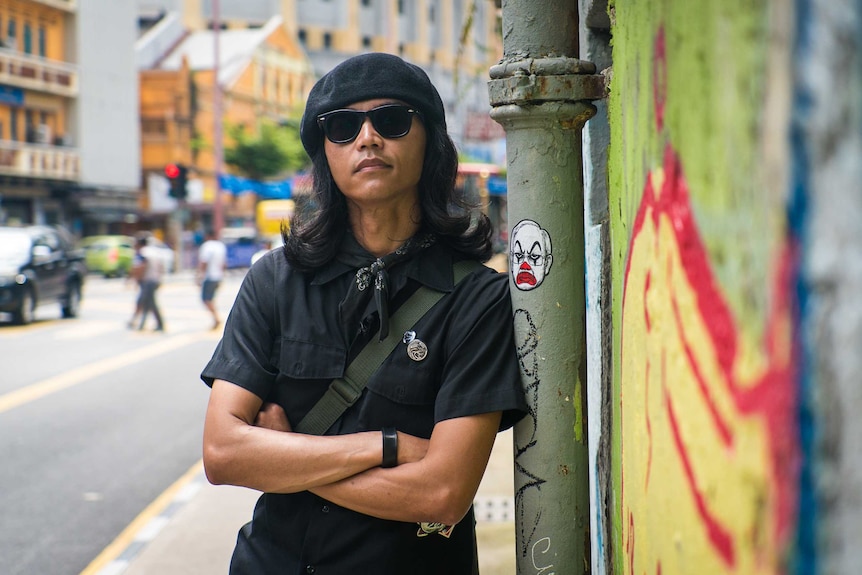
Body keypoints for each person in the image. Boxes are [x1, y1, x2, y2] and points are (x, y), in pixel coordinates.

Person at [201, 52, 528, 575]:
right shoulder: (274, 280)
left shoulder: (478, 299)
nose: (368, 138)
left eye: (392, 120)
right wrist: (388, 446)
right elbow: (222, 453)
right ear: (325, 155)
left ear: (431, 143)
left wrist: (286, 456)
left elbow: (442, 494)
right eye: (344, 126)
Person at [133, 235, 165, 332]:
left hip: (147, 280)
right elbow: (161, 267)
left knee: (148, 302)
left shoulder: (143, 252)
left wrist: (138, 278)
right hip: (155, 279)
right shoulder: (154, 251)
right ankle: (142, 323)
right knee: (148, 302)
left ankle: (148, 323)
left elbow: (142, 266)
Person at [196, 229, 227, 329]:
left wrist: (199, 276)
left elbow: (204, 262)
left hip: (210, 276)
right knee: (211, 298)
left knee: (206, 299)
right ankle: (216, 318)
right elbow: (224, 263)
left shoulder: (207, 246)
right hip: (218, 276)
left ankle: (216, 318)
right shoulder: (220, 246)